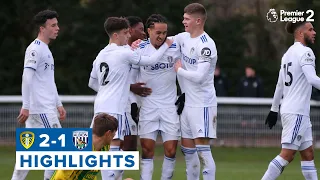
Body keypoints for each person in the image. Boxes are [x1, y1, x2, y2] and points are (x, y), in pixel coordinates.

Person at [88, 17, 172, 180]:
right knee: (113, 145)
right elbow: (151, 60)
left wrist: (112, 88)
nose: (128, 36)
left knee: (103, 148)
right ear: (115, 35)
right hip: (115, 107)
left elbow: (92, 82)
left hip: (100, 105)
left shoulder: (101, 54)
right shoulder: (124, 52)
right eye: (125, 33)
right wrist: (166, 45)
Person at [11, 9, 66, 180]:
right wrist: (26, 106)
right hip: (41, 110)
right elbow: (27, 77)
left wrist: (58, 104)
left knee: (30, 154)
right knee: (58, 150)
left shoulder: (46, 49)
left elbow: (48, 81)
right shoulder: (35, 49)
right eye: (53, 25)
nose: (57, 28)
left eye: (57, 25)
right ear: (42, 28)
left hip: (45, 108)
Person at [263, 21, 317, 180]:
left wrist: (274, 109)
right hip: (297, 112)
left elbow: (280, 84)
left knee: (308, 154)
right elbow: (312, 79)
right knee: (287, 155)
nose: (314, 32)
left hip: (293, 110)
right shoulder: (306, 52)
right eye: (311, 29)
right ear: (301, 33)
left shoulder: (287, 54)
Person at [133, 14, 181, 180]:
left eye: (165, 32)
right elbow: (131, 76)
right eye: (158, 32)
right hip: (148, 107)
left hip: (170, 107)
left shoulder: (175, 47)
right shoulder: (139, 49)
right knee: (147, 150)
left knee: (171, 150)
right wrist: (134, 93)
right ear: (149, 31)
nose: (162, 36)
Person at [173, 3, 218, 180]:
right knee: (188, 152)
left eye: (187, 19)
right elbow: (164, 41)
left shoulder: (207, 45)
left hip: (202, 104)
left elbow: (200, 76)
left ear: (198, 21)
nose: (183, 21)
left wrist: (179, 70)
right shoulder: (183, 37)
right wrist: (142, 42)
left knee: (203, 153)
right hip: (187, 105)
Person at [50, 113, 118, 180]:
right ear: (108, 133)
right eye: (114, 133)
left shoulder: (104, 147)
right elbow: (62, 176)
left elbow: (89, 174)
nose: (114, 135)